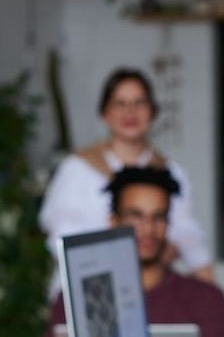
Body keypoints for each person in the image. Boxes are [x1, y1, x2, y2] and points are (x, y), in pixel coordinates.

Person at [42, 166, 224, 337]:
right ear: (113, 221)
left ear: (168, 225)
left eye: (158, 217)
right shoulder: (74, 299)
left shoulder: (206, 299)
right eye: (136, 216)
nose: (148, 229)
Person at [40, 68, 214, 297]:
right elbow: (62, 241)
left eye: (139, 103)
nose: (130, 111)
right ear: (104, 113)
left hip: (150, 293)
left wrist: (213, 297)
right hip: (85, 290)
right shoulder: (77, 169)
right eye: (119, 103)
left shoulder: (171, 173)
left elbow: (189, 241)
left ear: (152, 111)